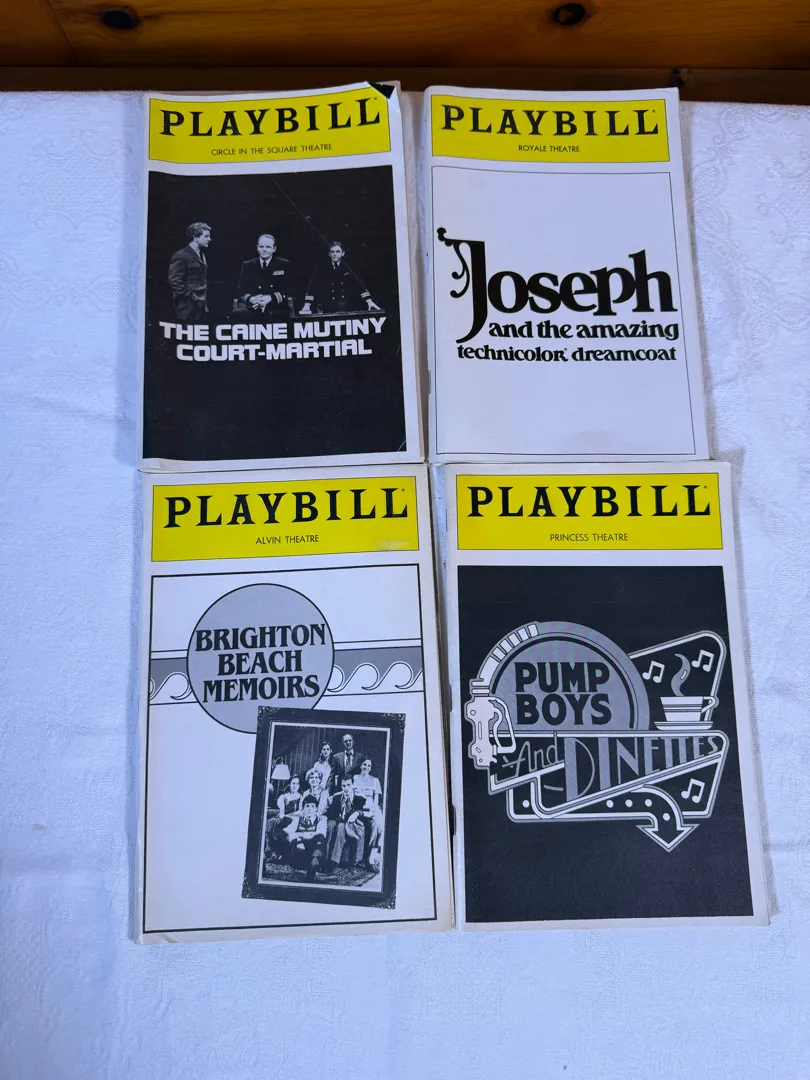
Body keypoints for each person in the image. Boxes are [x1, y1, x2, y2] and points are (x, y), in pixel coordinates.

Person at [299, 240, 381, 315]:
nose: (335, 254)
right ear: (329, 254)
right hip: (328, 308)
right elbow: (313, 285)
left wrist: (369, 301)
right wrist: (307, 305)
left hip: (346, 307)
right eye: (332, 252)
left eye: (338, 251)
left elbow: (359, 284)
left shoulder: (349, 266)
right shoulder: (322, 266)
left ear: (343, 253)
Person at [235, 234, 290, 317]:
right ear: (257, 247)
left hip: (277, 310)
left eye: (268, 247)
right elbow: (241, 289)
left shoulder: (283, 264)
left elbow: (290, 288)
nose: (264, 250)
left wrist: (270, 298)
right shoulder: (248, 265)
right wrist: (251, 299)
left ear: (274, 249)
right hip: (253, 308)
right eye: (261, 247)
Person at [168, 222, 211, 321]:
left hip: (201, 305)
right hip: (187, 307)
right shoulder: (181, 256)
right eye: (206, 236)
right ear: (196, 237)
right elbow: (175, 282)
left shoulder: (201, 255)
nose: (209, 239)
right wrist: (193, 297)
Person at [283, 796, 327, 881]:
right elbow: (288, 832)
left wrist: (300, 835)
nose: (309, 809)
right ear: (303, 808)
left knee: (320, 839)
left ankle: (313, 865)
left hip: (314, 848)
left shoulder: (321, 819)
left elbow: (321, 833)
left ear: (316, 809)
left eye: (312, 806)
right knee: (297, 842)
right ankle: (309, 866)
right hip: (300, 850)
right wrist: (303, 837)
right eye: (307, 806)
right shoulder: (297, 819)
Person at [325, 777, 366, 867]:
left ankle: (334, 861)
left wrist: (356, 814)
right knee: (332, 824)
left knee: (341, 826)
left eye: (348, 785)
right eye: (343, 786)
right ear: (341, 786)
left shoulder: (359, 799)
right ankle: (326, 858)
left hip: (351, 827)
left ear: (353, 785)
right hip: (338, 823)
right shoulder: (337, 797)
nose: (346, 788)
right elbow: (331, 814)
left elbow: (363, 814)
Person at [352, 757, 383, 868]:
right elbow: (350, 794)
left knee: (378, 824)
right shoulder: (355, 778)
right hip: (358, 807)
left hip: (372, 808)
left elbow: (376, 799)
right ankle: (361, 857)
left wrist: (372, 810)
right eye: (365, 764)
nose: (366, 767)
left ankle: (370, 856)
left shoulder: (375, 780)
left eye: (369, 766)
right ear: (361, 765)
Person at [264, 775, 302, 863]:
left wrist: (292, 815)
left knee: (282, 826)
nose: (295, 786)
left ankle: (279, 853)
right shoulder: (283, 797)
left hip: (294, 818)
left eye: (297, 784)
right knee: (272, 822)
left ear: (299, 786)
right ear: (290, 784)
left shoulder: (300, 797)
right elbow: (282, 812)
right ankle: (272, 852)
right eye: (293, 783)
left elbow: (300, 811)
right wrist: (282, 818)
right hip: (283, 816)